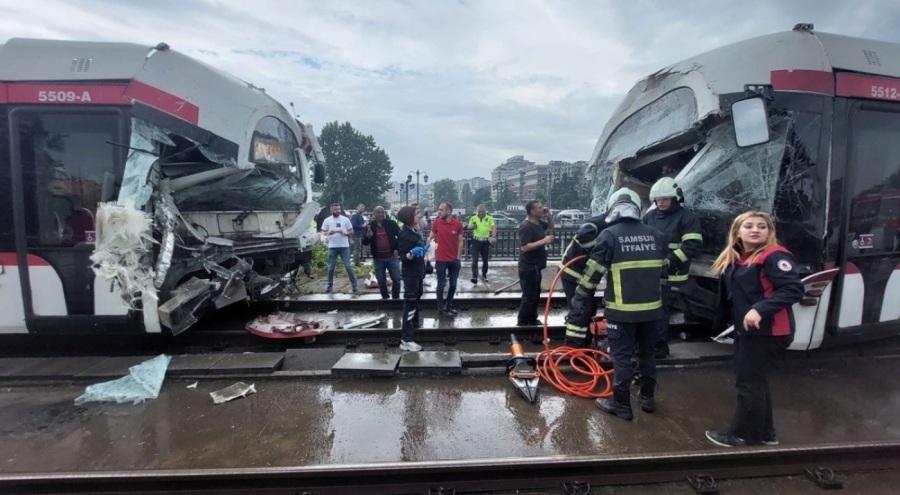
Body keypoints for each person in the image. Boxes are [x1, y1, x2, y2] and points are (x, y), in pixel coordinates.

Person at [566, 189, 667, 421]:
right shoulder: (657, 235)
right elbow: (664, 274)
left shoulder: (609, 235)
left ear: (612, 209)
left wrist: (579, 302)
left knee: (620, 357)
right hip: (653, 310)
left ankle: (620, 403)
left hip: (622, 312)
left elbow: (592, 276)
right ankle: (647, 398)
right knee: (647, 353)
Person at [705, 211, 803, 447]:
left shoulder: (774, 255)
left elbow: (793, 289)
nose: (755, 230)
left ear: (770, 232)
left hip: (767, 331)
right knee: (756, 381)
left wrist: (760, 308)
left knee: (748, 383)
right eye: (749, 226)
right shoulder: (739, 257)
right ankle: (765, 433)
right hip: (748, 330)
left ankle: (742, 435)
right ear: (738, 231)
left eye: (762, 226)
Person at [644, 177, 703, 358]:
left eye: (665, 199)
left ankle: (660, 347)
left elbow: (692, 245)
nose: (660, 202)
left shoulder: (687, 217)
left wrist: (669, 261)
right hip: (651, 273)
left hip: (672, 275)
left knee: (661, 311)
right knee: (649, 309)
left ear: (675, 198)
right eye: (658, 199)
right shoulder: (649, 216)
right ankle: (648, 343)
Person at [559, 200, 613, 346]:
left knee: (588, 308)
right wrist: (601, 248)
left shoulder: (609, 224)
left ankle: (586, 340)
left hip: (586, 274)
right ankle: (575, 345)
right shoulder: (597, 223)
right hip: (573, 272)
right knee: (581, 308)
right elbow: (582, 236)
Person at [517, 200, 555, 326]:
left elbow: (550, 226)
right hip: (528, 267)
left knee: (536, 294)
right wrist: (544, 241)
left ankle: (532, 318)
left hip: (536, 266)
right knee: (529, 296)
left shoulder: (538, 223)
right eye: (539, 207)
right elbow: (525, 247)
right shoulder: (526, 226)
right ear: (532, 212)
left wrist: (548, 216)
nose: (542, 208)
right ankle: (522, 321)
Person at [426, 201, 464, 316]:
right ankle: (441, 309)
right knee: (441, 284)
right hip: (441, 260)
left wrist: (458, 257)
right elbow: (429, 238)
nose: (439, 211)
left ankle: (449, 305)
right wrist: (427, 255)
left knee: (453, 284)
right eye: (439, 209)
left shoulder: (458, 224)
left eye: (441, 209)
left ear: (449, 211)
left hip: (454, 260)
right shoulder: (437, 223)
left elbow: (460, 241)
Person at [396, 205, 426, 352]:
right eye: (415, 214)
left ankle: (413, 327)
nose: (418, 216)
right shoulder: (404, 234)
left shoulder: (414, 231)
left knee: (416, 301)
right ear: (408, 217)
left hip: (418, 272)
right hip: (411, 275)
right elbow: (403, 257)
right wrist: (412, 253)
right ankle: (406, 339)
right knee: (410, 303)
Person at [362, 206, 401, 299]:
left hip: (392, 257)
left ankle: (396, 299)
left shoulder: (391, 224)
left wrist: (397, 249)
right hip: (378, 258)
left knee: (396, 279)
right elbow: (364, 242)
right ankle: (385, 298)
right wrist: (368, 236)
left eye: (382, 212)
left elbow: (401, 236)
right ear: (374, 214)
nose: (380, 214)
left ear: (385, 213)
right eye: (378, 212)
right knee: (381, 281)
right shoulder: (370, 226)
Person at [320, 202, 359, 295]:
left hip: (344, 246)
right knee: (330, 268)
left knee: (348, 267)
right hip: (332, 247)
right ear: (331, 210)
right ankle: (329, 286)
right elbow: (323, 233)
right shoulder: (327, 220)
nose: (337, 211)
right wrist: (329, 232)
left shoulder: (345, 219)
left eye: (339, 209)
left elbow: (351, 231)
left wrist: (345, 233)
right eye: (335, 209)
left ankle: (355, 286)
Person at [468, 204, 496, 285]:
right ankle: (474, 276)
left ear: (485, 211)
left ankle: (484, 275)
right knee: (475, 260)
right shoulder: (473, 218)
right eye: (478, 211)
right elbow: (469, 227)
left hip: (485, 241)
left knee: (485, 260)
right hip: (476, 241)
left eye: (482, 211)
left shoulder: (489, 218)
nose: (480, 213)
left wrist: (493, 236)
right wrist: (473, 225)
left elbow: (493, 228)